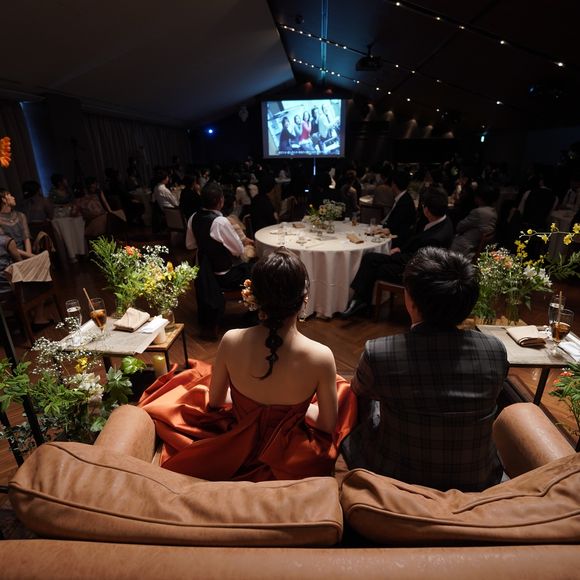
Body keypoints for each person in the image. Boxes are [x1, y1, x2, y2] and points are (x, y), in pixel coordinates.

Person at [139, 249, 357, 481]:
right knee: (343, 391)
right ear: (304, 299)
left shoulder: (230, 340)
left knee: (195, 382)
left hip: (234, 450)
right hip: (290, 458)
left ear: (253, 296)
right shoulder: (322, 357)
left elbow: (215, 401)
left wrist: (252, 406)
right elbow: (326, 425)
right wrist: (299, 410)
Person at [341, 247, 508, 492]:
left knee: (356, 399)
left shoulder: (380, 352)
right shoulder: (495, 350)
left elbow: (358, 391)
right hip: (477, 478)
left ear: (410, 300)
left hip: (397, 477)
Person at [341, 188, 453, 318]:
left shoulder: (436, 237)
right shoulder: (444, 221)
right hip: (417, 261)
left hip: (416, 272)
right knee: (372, 261)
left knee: (371, 262)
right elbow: (415, 242)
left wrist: (394, 255)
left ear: (426, 210)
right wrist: (400, 249)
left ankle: (359, 301)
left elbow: (416, 259)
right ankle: (361, 302)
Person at [186, 181, 253, 290]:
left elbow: (190, 245)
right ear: (221, 200)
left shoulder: (193, 217)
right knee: (256, 270)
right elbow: (239, 250)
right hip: (225, 277)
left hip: (205, 274)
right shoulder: (220, 222)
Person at [451, 183, 499, 259]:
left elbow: (459, 227)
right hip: (477, 245)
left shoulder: (479, 212)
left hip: (466, 247)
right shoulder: (493, 211)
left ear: (479, 198)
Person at [379, 169, 416, 246]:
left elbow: (394, 228)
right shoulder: (404, 198)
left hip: (397, 241)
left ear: (394, 185)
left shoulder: (404, 203)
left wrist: (381, 229)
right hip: (394, 233)